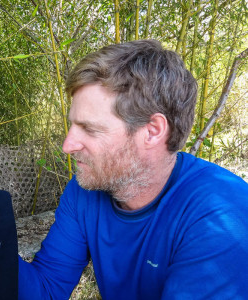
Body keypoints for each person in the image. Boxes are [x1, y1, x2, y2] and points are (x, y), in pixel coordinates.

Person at [18, 40, 248, 299]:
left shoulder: (223, 217)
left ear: (151, 132)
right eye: (72, 126)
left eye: (90, 129)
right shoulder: (85, 190)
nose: (67, 145)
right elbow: (46, 289)